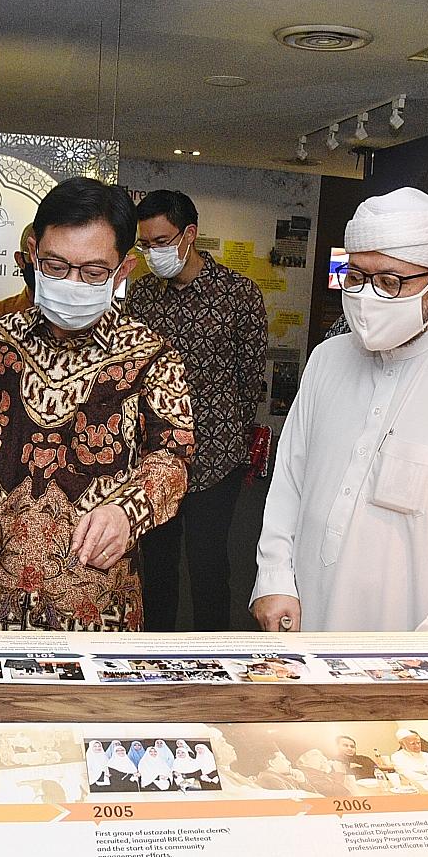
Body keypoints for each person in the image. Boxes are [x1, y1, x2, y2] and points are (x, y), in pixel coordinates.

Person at [251, 188, 428, 632]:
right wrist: (273, 577)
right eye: (355, 276)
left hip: (414, 651)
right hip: (303, 625)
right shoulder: (327, 361)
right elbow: (289, 479)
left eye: (388, 282)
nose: (365, 297)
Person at [0, 177, 194, 631]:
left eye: (93, 271)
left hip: (98, 613)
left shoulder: (150, 357)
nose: (72, 282)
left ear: (123, 270)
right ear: (32, 252)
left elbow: (172, 461)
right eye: (56, 266)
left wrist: (128, 512)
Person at [127, 190, 267, 631]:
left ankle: (212, 655)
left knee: (209, 566)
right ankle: (152, 657)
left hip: (216, 457)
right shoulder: (142, 296)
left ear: (190, 234)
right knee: (157, 565)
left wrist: (233, 435)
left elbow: (250, 378)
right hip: (154, 457)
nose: (152, 253)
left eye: (161, 241)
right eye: (144, 244)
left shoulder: (239, 295)